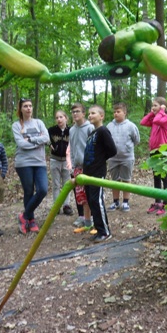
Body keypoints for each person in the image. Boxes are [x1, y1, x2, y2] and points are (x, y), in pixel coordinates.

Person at [13, 97, 50, 234]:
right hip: (24, 163)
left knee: (42, 190)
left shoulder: (39, 123)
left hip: (39, 162)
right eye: (25, 106)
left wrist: (31, 139)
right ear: (21, 109)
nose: (28, 108)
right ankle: (31, 220)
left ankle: (24, 216)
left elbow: (47, 138)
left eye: (30, 106)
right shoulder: (16, 125)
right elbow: (21, 144)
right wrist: (38, 141)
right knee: (28, 191)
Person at [83, 105, 117, 242]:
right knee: (91, 201)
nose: (90, 115)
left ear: (101, 116)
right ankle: (98, 229)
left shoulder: (103, 131)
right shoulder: (92, 133)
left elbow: (112, 150)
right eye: (89, 113)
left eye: (93, 113)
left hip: (97, 172)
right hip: (87, 173)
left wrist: (100, 159)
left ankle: (105, 232)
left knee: (97, 201)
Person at [140, 96, 167, 216]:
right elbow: (143, 122)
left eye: (155, 105)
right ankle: (157, 202)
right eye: (152, 105)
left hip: (163, 151)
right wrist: (152, 112)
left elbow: (157, 121)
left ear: (162, 107)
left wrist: (161, 112)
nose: (152, 107)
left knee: (164, 176)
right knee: (156, 177)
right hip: (153, 151)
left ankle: (166, 202)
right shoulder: (155, 117)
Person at [106, 102, 140, 212]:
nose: (116, 114)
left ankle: (125, 202)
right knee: (114, 180)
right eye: (114, 112)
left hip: (127, 157)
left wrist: (127, 148)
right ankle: (115, 201)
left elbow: (136, 140)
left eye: (118, 111)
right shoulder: (109, 126)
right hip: (112, 158)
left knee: (126, 179)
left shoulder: (131, 126)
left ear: (124, 113)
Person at [68, 102, 94, 230]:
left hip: (89, 166)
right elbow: (72, 149)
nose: (75, 114)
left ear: (84, 113)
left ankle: (93, 217)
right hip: (77, 167)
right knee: (81, 195)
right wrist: (72, 166)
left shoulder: (90, 128)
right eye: (73, 112)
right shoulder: (72, 130)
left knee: (91, 194)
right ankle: (84, 218)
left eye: (77, 111)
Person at [48, 110, 74, 216]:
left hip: (67, 161)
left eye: (61, 117)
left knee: (67, 184)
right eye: (57, 117)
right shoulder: (51, 130)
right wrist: (49, 144)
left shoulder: (71, 130)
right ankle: (56, 205)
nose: (59, 119)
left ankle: (66, 205)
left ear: (66, 118)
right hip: (55, 159)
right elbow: (44, 137)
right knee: (56, 184)